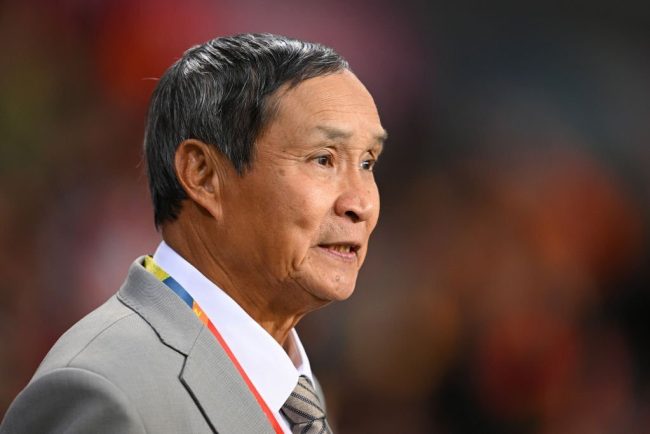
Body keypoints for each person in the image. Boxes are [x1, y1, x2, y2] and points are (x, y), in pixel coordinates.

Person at [0, 33, 386, 433]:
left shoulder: (296, 391)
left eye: (367, 163)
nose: (361, 203)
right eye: (323, 159)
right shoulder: (105, 390)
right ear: (202, 175)